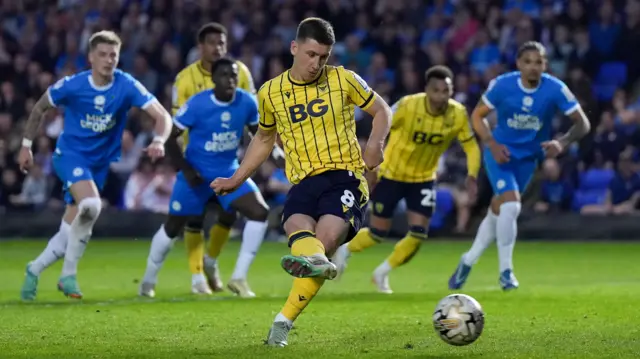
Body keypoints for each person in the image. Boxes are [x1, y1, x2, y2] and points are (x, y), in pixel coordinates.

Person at [211, 17, 392, 347]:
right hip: (304, 181)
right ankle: (319, 262)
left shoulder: (344, 79)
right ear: (294, 48)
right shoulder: (270, 92)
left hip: (346, 177)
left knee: (324, 238)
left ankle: (283, 321)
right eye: (311, 54)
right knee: (296, 225)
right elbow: (264, 139)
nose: (317, 63)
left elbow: (382, 110)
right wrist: (237, 178)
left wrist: (376, 144)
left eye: (324, 56)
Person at [19, 31, 172, 300]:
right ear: (90, 57)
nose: (108, 59)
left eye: (113, 54)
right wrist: (26, 145)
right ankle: (68, 276)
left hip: (98, 165)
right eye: (102, 54)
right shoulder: (73, 85)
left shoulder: (126, 85)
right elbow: (39, 107)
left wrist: (159, 139)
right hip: (71, 156)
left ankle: (34, 268)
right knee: (91, 206)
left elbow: (162, 115)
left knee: (71, 228)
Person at [448, 41, 590, 290]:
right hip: (500, 154)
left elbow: (583, 124)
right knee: (512, 205)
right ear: (518, 64)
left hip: (529, 158)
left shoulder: (556, 88)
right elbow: (477, 116)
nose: (533, 67)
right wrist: (491, 144)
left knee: (498, 209)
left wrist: (563, 142)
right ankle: (506, 273)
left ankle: (468, 260)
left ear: (545, 64)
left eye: (539, 62)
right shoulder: (502, 85)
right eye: (528, 62)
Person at [332, 66, 481, 294]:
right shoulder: (408, 105)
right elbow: (382, 123)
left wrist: (472, 175)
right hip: (391, 174)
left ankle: (382, 273)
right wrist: (372, 160)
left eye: (446, 91)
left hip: (423, 178)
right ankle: (345, 249)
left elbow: (470, 146)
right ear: (426, 90)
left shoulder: (458, 113)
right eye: (437, 90)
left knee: (419, 233)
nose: (442, 96)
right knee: (377, 233)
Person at [140, 58, 272, 298]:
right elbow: (171, 136)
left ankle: (239, 278)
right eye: (224, 75)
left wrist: (276, 154)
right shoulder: (198, 104)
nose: (230, 80)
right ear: (213, 79)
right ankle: (148, 281)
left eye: (233, 75)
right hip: (196, 174)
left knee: (259, 212)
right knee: (173, 226)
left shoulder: (246, 102)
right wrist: (186, 170)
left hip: (229, 171)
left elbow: (260, 135)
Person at [172, 23, 258, 295]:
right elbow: (176, 124)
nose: (218, 48)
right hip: (196, 160)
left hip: (228, 159)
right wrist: (184, 165)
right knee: (194, 219)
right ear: (201, 47)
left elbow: (251, 113)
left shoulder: (239, 72)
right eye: (212, 43)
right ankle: (197, 277)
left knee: (229, 213)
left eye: (222, 43)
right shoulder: (184, 79)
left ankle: (211, 261)